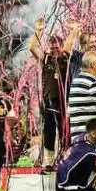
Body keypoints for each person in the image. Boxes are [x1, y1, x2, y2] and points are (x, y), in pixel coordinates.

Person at [29, 16, 79, 171]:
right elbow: (32, 48)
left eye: (56, 46)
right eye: (52, 47)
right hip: (49, 100)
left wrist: (73, 30)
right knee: (49, 131)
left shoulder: (66, 57)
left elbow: (68, 46)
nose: (54, 49)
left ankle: (67, 159)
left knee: (66, 131)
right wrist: (38, 30)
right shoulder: (45, 59)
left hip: (65, 101)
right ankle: (49, 162)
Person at [68, 52, 96, 139]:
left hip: (77, 137)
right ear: (93, 65)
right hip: (90, 138)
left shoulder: (76, 81)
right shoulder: (93, 82)